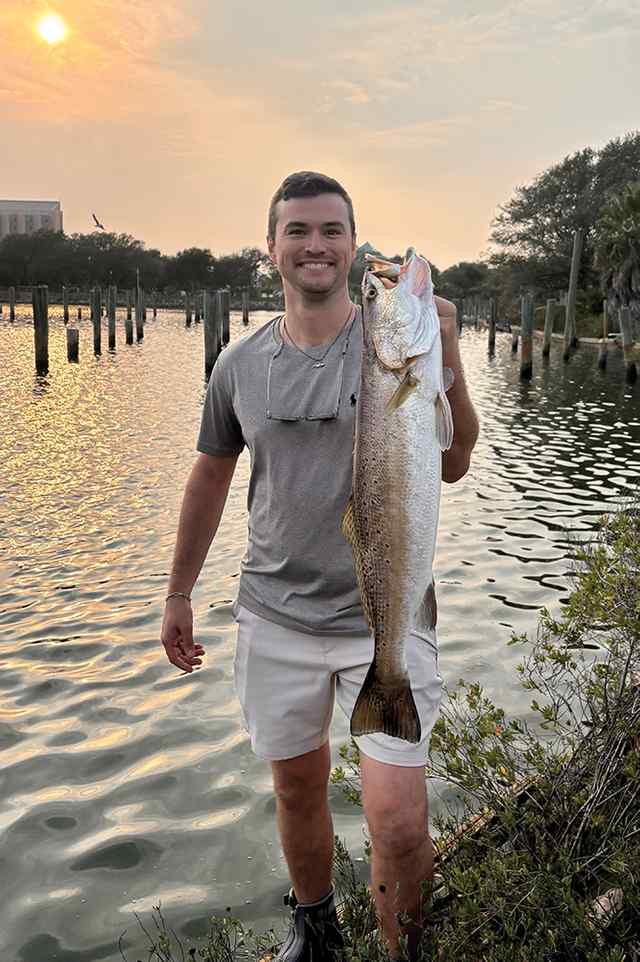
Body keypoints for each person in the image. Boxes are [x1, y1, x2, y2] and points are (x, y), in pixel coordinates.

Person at [161, 171, 480, 962]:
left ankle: (405, 950)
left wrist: (448, 360)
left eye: (332, 230)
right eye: (297, 230)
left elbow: (454, 462)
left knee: (401, 822)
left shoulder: (390, 350)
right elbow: (209, 474)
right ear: (271, 248)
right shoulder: (238, 365)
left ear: (350, 245)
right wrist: (178, 590)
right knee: (296, 788)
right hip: (274, 615)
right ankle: (316, 928)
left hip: (389, 620)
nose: (316, 244)